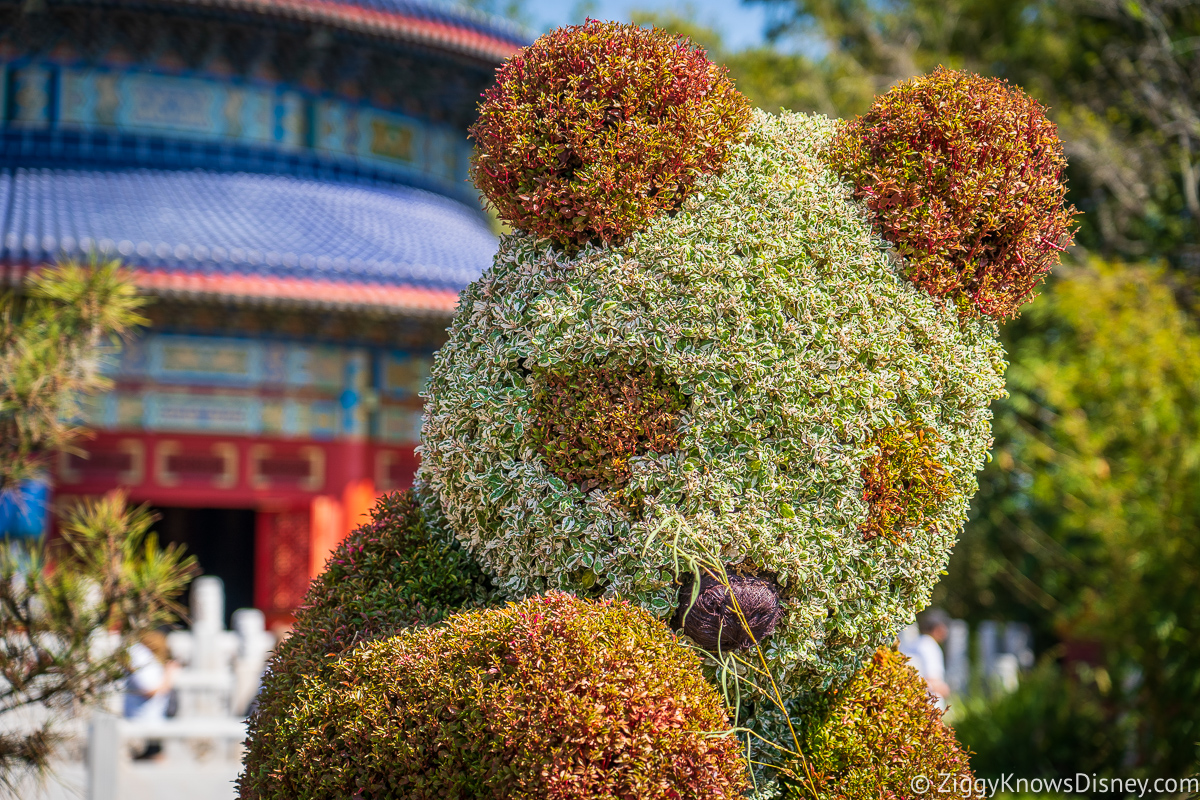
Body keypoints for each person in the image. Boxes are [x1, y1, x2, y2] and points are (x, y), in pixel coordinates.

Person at [123, 630, 178, 759]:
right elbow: (148, 690)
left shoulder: (143, 655)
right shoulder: (139, 655)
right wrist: (169, 677)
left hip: (150, 719)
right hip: (142, 722)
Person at [900, 608, 951, 703]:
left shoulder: (915, 643)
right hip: (926, 706)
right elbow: (932, 680)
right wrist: (946, 689)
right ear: (938, 628)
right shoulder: (930, 646)